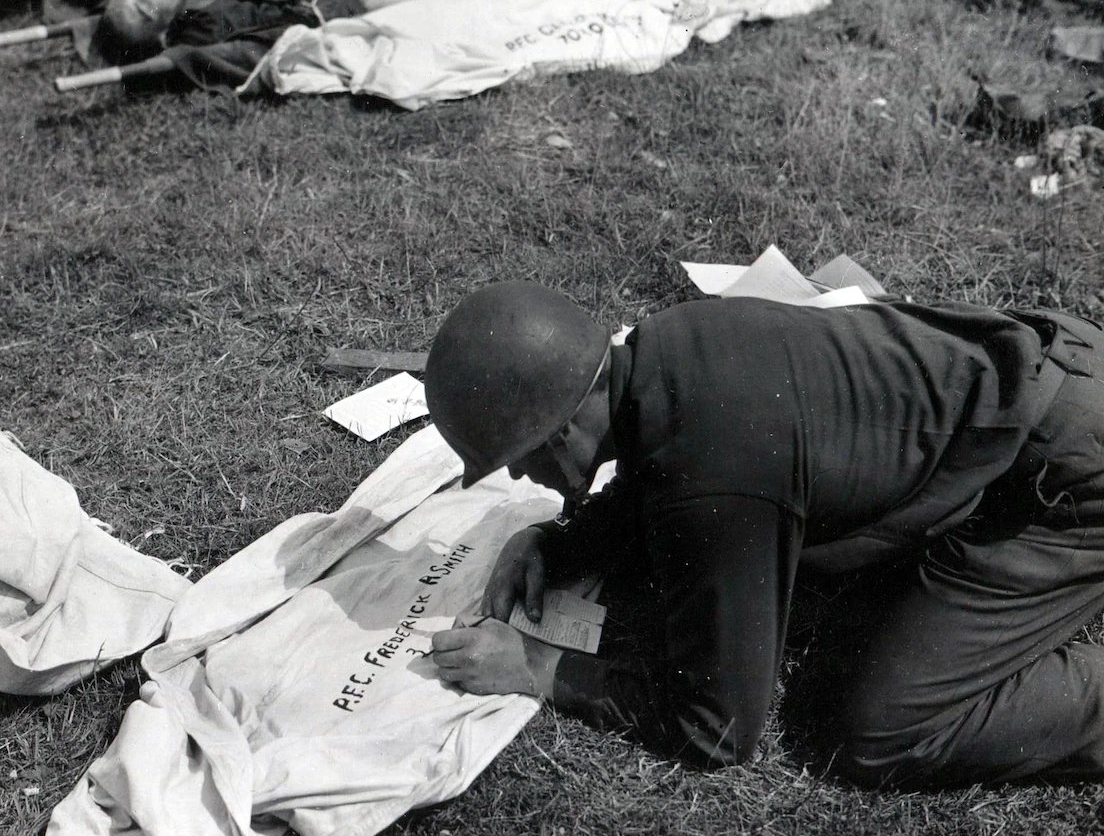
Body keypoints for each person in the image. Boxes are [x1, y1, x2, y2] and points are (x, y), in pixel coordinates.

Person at [424, 280, 1104, 788]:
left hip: (1069, 482)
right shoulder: (672, 343)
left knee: (881, 728)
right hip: (1052, 375)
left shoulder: (716, 469)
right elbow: (657, 479)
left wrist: (539, 667)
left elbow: (717, 725)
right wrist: (559, 542)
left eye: (517, 450)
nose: (515, 469)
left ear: (564, 427)